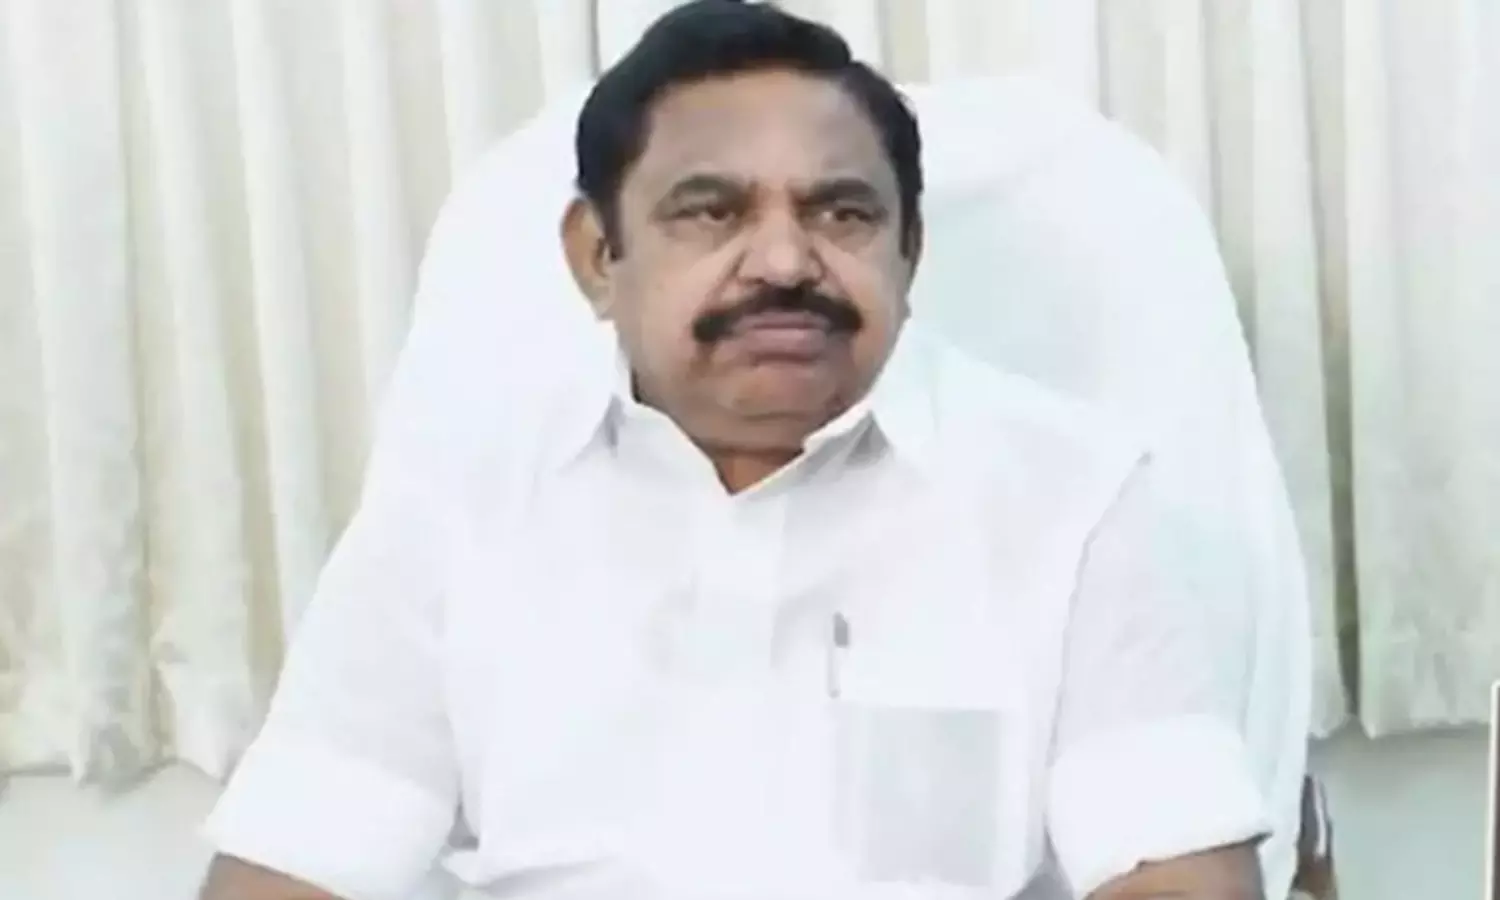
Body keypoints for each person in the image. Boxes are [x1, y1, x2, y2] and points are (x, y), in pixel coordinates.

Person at [198, 2, 1274, 898]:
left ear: (910, 251)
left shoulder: (1073, 498)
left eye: (842, 214)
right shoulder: (459, 503)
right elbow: (295, 866)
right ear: (596, 256)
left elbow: (1177, 875)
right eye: (710, 213)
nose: (784, 262)